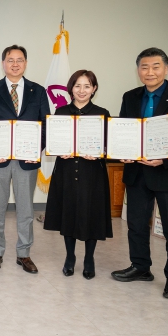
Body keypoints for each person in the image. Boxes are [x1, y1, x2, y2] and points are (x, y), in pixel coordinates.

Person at [111, 47, 168, 300]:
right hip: (137, 172)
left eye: (155, 67)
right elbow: (125, 130)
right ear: (138, 70)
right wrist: (122, 151)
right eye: (144, 67)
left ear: (166, 69)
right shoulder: (130, 97)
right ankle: (141, 267)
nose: (149, 72)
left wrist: (167, 158)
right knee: (136, 224)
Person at [0, 45, 49, 274]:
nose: (15, 64)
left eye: (19, 60)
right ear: (3, 63)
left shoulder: (38, 91)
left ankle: (24, 253)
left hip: (26, 161)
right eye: (10, 60)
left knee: (26, 210)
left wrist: (35, 151)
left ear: (25, 63)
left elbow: (45, 124)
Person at [43, 70, 113, 279]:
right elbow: (52, 140)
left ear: (94, 89)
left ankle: (89, 258)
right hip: (66, 170)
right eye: (77, 86)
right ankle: (70, 257)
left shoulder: (102, 113)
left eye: (87, 86)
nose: (82, 90)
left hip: (92, 173)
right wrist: (57, 150)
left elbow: (110, 144)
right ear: (71, 88)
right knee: (68, 212)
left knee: (92, 214)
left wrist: (100, 153)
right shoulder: (61, 112)